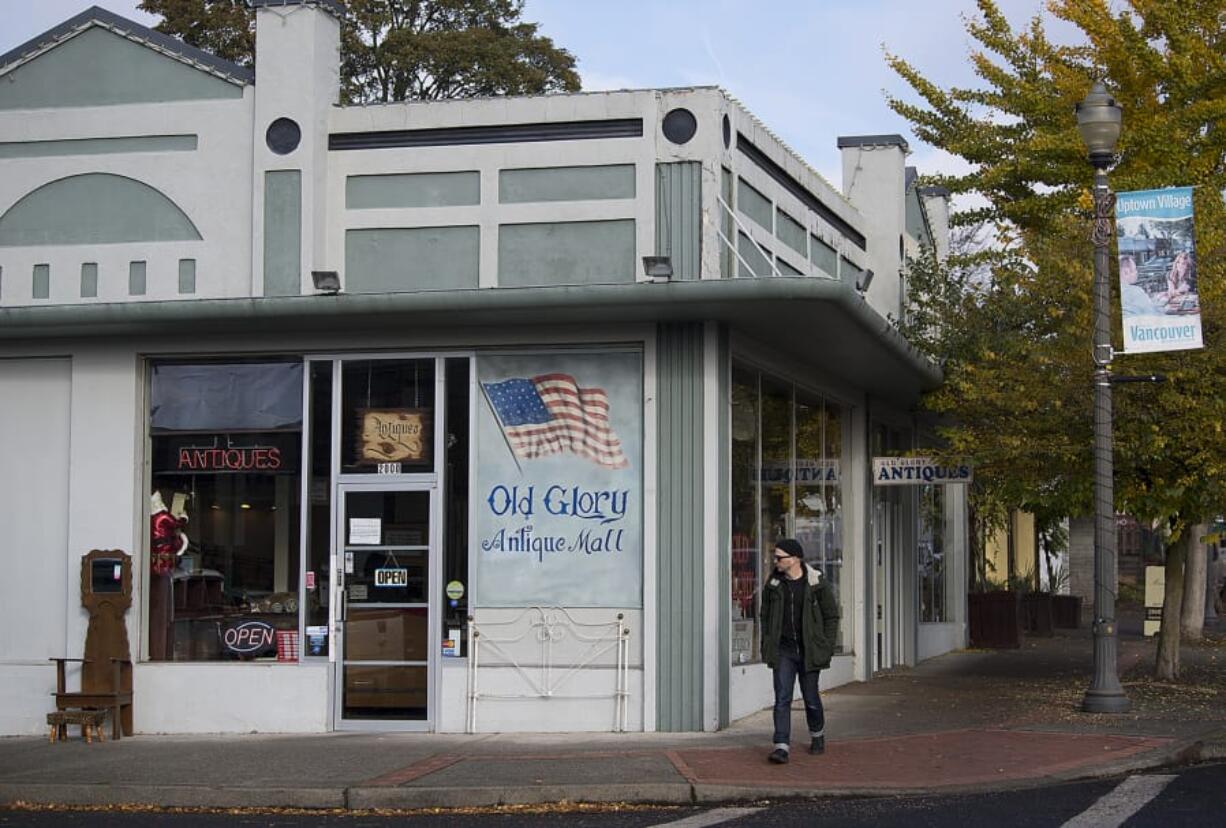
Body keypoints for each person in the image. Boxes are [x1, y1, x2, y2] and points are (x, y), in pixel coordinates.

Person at [761, 538, 840, 764]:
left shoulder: (816, 583)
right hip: (783, 651)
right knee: (782, 698)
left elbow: (831, 616)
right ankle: (781, 746)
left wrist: (825, 645)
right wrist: (767, 642)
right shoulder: (773, 585)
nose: (775, 561)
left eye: (780, 557)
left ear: (795, 559)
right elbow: (764, 616)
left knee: (811, 698)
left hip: (809, 651)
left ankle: (817, 735)